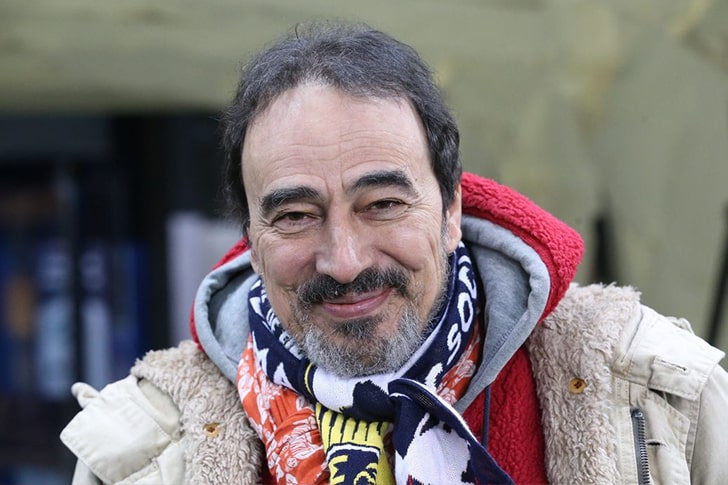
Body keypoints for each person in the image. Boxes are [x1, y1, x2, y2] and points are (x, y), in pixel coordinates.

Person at [60, 22, 728, 485]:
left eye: (381, 204)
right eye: (295, 216)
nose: (345, 261)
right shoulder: (141, 451)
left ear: (451, 211)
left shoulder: (659, 393)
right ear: (253, 243)